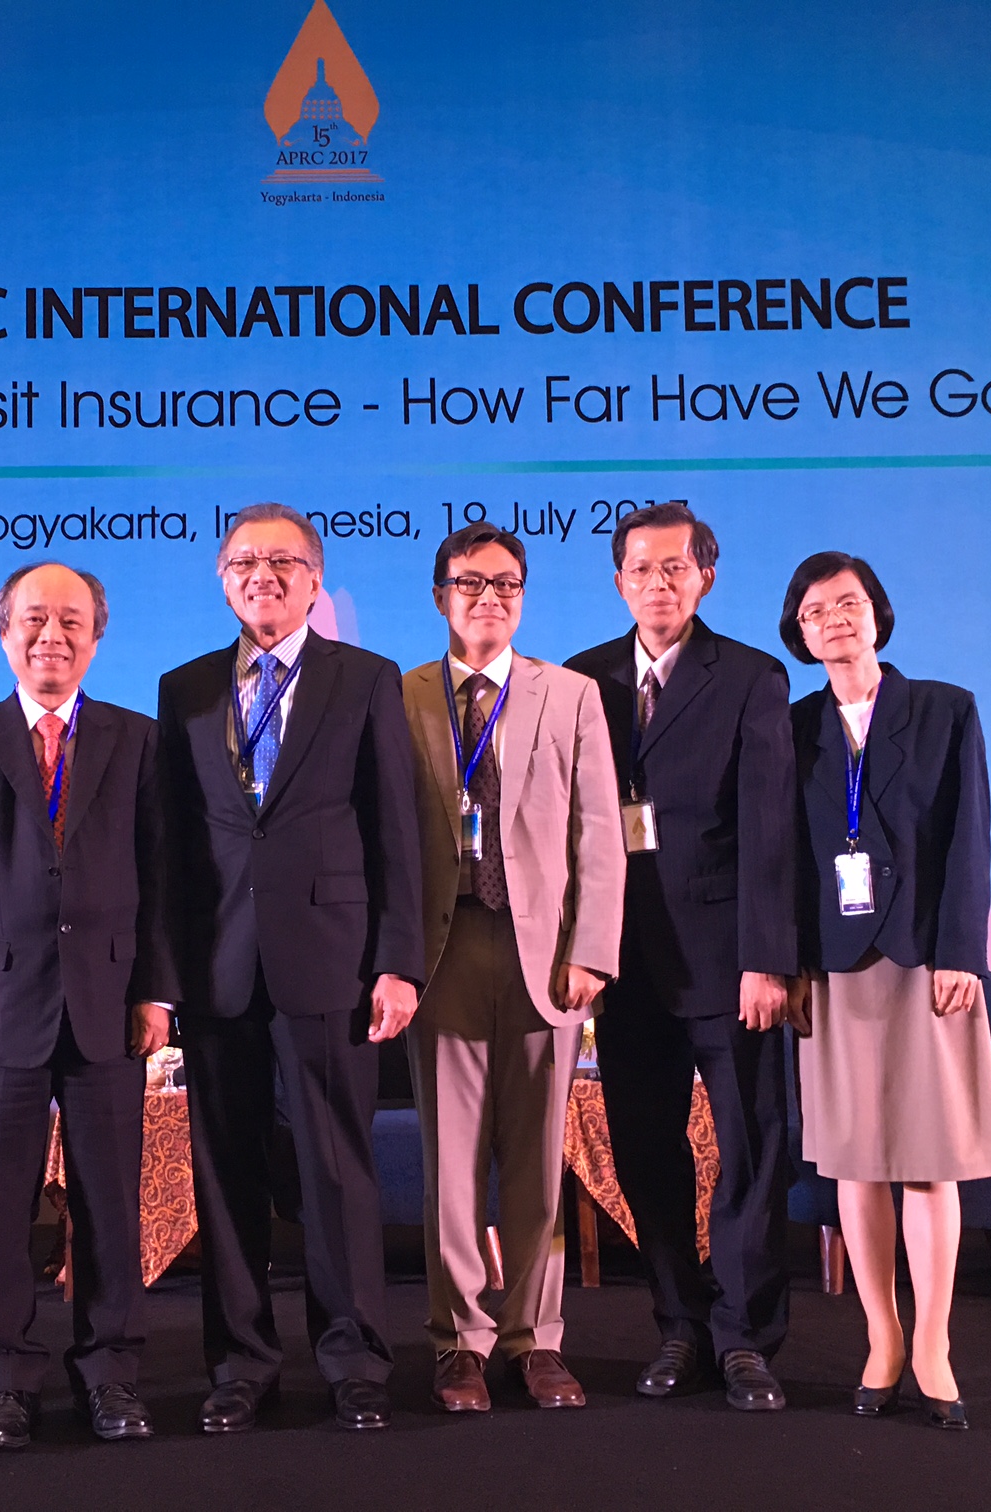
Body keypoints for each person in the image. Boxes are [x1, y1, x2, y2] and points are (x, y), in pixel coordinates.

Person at [156, 502, 425, 1434]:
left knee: (337, 1170)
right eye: (243, 562)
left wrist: (399, 963)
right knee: (224, 1172)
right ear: (222, 579)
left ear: (315, 578)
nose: (262, 575)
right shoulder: (183, 688)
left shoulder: (366, 679)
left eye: (283, 561)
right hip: (219, 967)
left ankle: (354, 1360)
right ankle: (240, 1362)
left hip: (335, 965)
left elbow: (398, 828)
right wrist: (165, 974)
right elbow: (172, 849)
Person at [0, 561, 176, 1452]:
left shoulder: (137, 741)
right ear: (3, 633)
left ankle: (111, 1372)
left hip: (110, 1007)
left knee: (112, 1202)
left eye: (70, 621)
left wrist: (157, 990)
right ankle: (2, 1380)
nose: (50, 636)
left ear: (98, 638)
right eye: (33, 620)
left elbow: (163, 880)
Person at [563, 501, 798, 1412]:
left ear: (706, 576)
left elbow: (771, 830)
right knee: (643, 1154)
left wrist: (768, 960)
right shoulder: (581, 680)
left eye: (674, 568)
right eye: (639, 569)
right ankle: (679, 1325)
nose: (656, 583)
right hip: (624, 963)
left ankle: (746, 1336)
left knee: (749, 1149)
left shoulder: (749, 677)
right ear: (618, 580)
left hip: (729, 962)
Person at [401, 523, 626, 1415]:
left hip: (545, 958)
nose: (487, 597)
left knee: (536, 1159)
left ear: (523, 596)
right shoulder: (403, 695)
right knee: (449, 1164)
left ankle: (536, 1339)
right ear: (439, 596)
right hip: (440, 951)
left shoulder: (568, 694)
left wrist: (591, 953)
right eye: (469, 583)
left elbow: (599, 834)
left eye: (505, 584)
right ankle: (459, 1340)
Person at [778, 551, 991, 1431]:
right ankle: (883, 1337)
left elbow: (968, 838)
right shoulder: (794, 727)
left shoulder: (945, 710)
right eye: (815, 611)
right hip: (834, 968)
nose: (834, 620)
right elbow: (787, 859)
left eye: (849, 603)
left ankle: (937, 1342)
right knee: (855, 1161)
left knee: (927, 1157)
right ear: (798, 633)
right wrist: (791, 961)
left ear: (878, 612)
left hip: (924, 961)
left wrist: (961, 953)